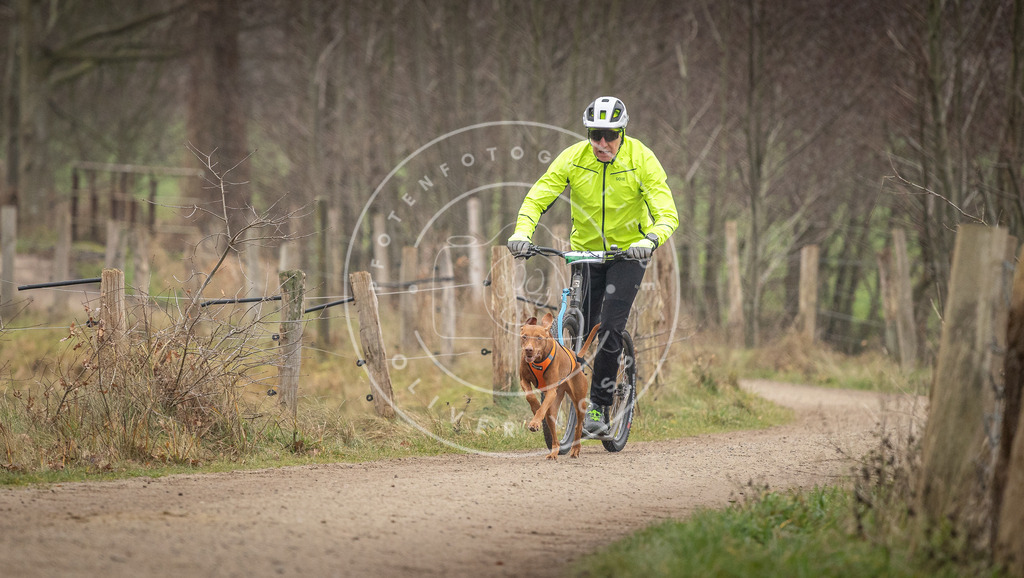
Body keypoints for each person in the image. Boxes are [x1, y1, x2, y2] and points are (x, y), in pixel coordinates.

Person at [507, 96, 678, 436]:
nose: (602, 143)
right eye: (595, 135)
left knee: (610, 327)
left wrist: (650, 240)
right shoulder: (573, 157)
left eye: (610, 135)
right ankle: (566, 399)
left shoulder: (641, 159)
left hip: (629, 254)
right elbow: (539, 195)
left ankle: (599, 405)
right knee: (581, 331)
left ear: (622, 133)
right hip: (585, 254)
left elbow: (666, 211)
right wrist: (522, 231)